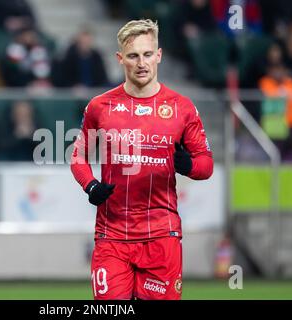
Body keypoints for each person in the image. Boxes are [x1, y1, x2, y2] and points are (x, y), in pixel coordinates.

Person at [70, 19, 213, 300]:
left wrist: (189, 166)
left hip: (162, 234)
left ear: (158, 55)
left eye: (148, 54)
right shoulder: (100, 106)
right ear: (120, 58)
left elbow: (206, 164)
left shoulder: (182, 108)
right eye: (133, 56)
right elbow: (78, 156)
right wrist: (90, 186)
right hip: (112, 235)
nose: (141, 63)